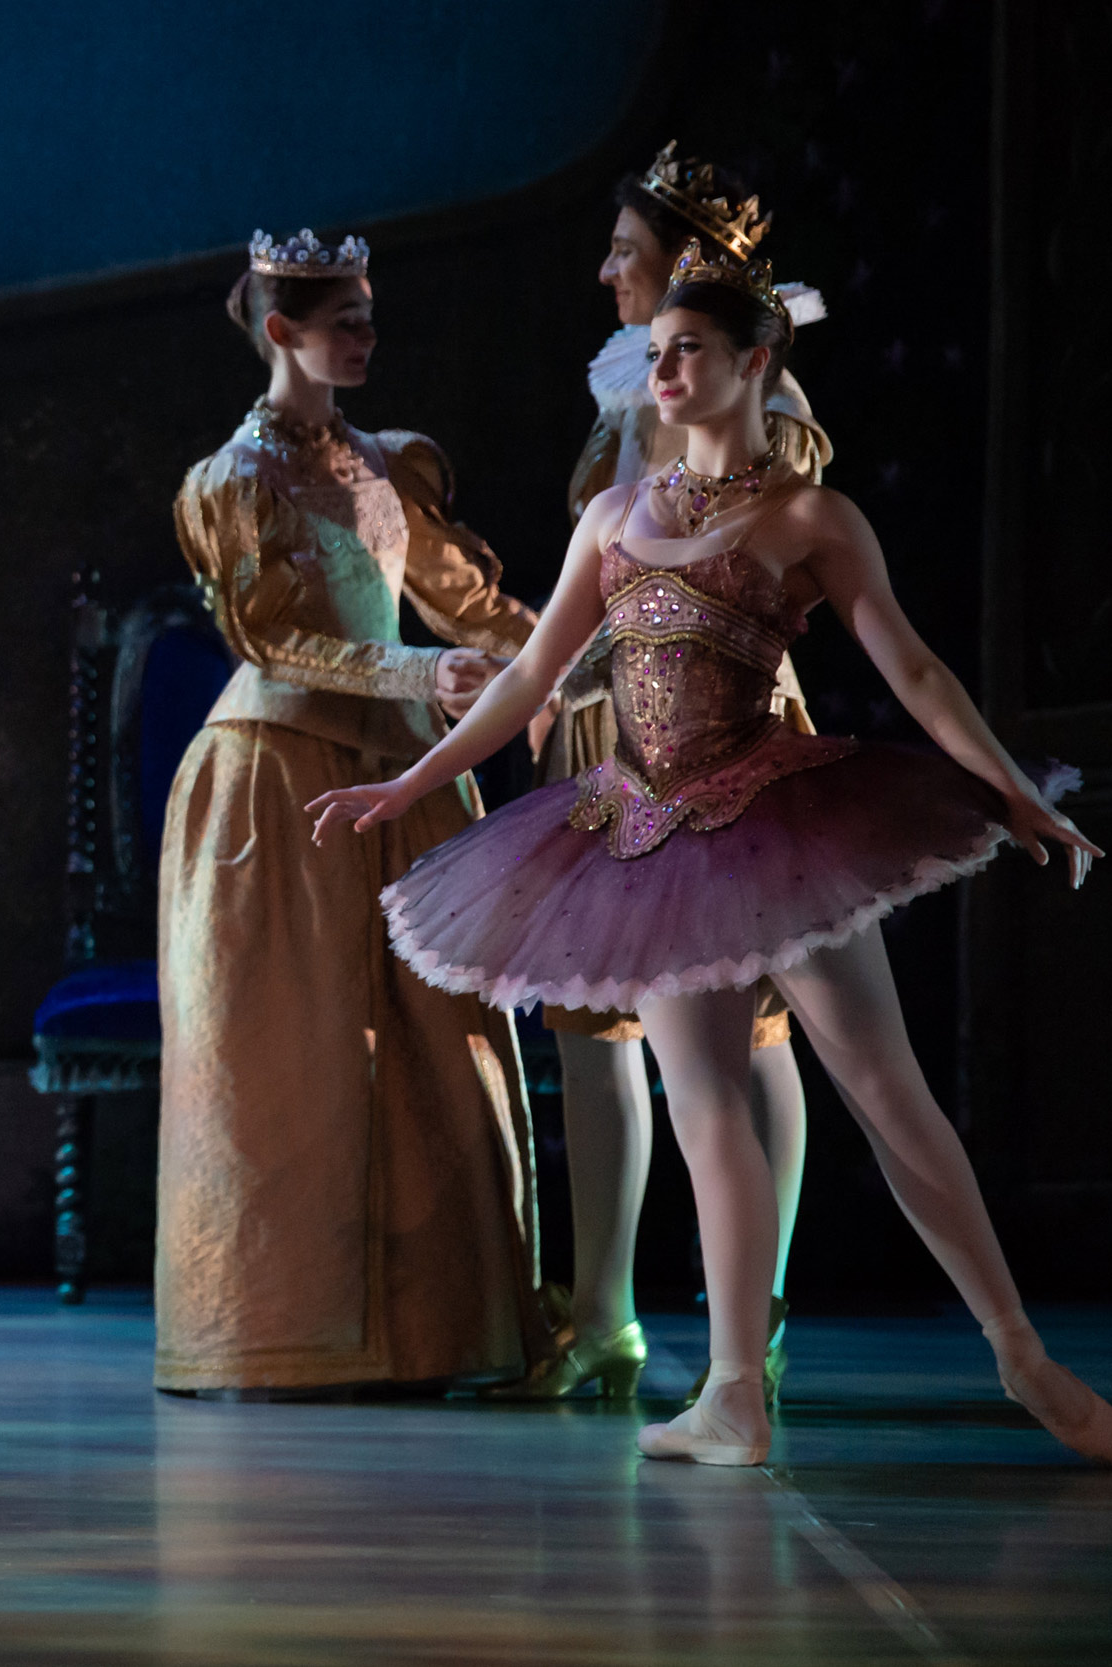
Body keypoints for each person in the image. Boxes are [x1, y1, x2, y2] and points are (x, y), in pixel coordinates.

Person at [307, 241, 1111, 1466]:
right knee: (703, 1107)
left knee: (885, 1091)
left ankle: (1020, 1353)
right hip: (645, 836)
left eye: (690, 350)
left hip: (778, 822)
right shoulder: (610, 517)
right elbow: (534, 672)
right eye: (657, 351)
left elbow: (914, 668)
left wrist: (1010, 788)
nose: (664, 368)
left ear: (755, 361)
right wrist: (414, 776)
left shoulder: (808, 518)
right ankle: (734, 1391)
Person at [155, 228, 552, 1397]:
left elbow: (466, 601)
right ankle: (273, 1328)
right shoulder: (234, 479)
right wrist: (418, 676)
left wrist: (577, 658)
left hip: (405, 773)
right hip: (276, 776)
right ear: (282, 332)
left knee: (436, 1045)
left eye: (371, 316)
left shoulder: (387, 463)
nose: (367, 338)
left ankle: (430, 1334)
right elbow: (272, 637)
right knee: (292, 1051)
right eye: (346, 323)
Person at [505, 143, 832, 1405]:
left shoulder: (753, 400)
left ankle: (759, 1303)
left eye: (626, 256)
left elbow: (761, 565)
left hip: (722, 728)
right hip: (606, 726)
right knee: (600, 1021)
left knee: (751, 1023)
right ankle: (603, 1310)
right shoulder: (627, 384)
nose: (605, 275)